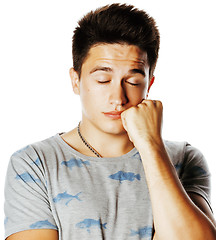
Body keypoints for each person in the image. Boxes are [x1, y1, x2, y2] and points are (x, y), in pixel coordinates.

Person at [4, 3, 216, 240]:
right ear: (76, 81)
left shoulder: (184, 158)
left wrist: (150, 145)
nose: (118, 98)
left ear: (150, 85)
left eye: (133, 82)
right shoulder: (34, 163)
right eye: (103, 80)